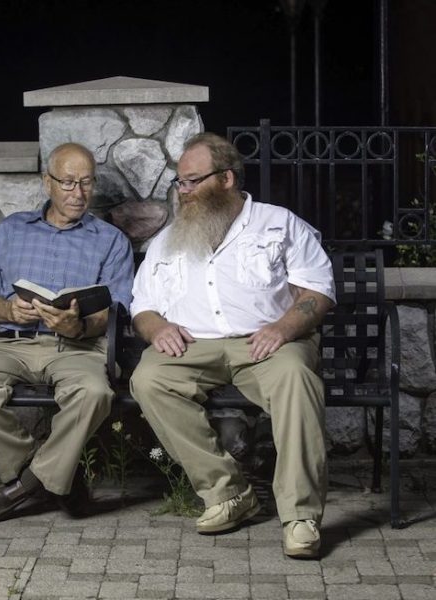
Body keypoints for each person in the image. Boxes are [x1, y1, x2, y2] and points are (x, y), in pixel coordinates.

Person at [129, 132, 335, 559]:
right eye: (180, 183)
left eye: (192, 181)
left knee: (297, 380)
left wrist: (284, 327)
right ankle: (229, 492)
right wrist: (155, 329)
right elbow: (143, 306)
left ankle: (300, 517)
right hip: (194, 346)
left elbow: (317, 291)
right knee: (148, 379)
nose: (183, 192)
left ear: (225, 179)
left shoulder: (279, 224)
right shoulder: (169, 239)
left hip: (267, 342)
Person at [0, 142, 134, 523]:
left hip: (75, 348)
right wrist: (7, 309)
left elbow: (116, 311)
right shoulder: (12, 230)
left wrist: (79, 324)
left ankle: (25, 485)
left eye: (86, 183)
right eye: (68, 183)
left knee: (95, 393)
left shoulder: (110, 240)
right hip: (9, 343)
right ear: (47, 182)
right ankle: (54, 475)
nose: (78, 193)